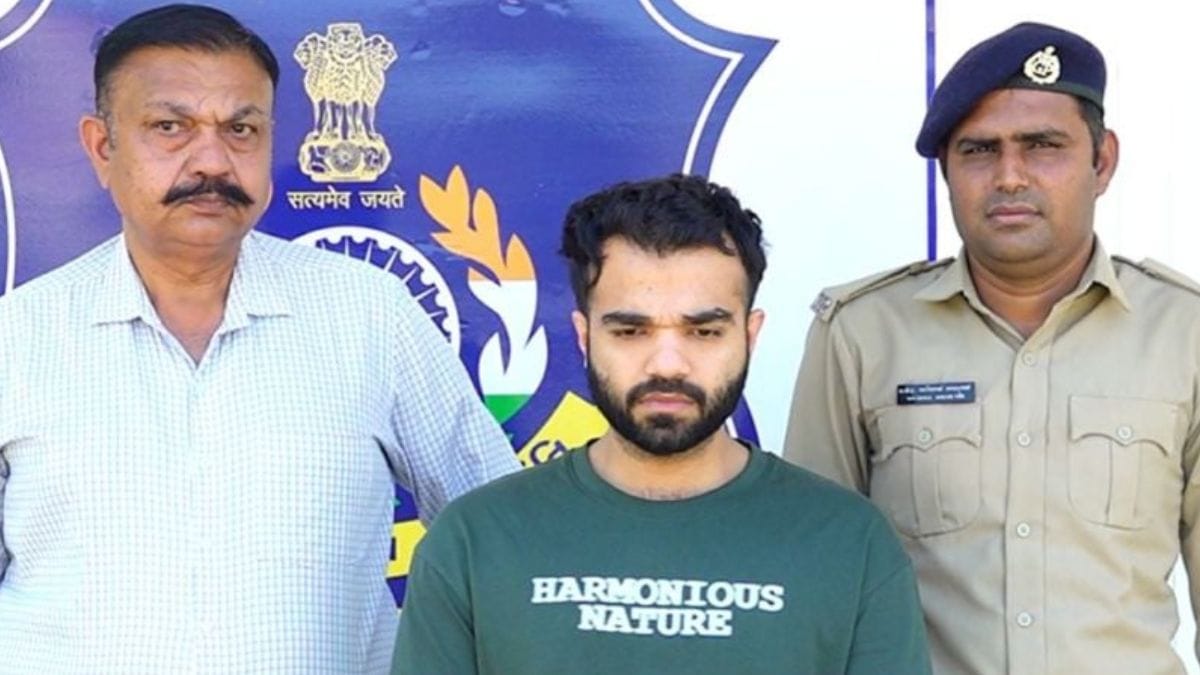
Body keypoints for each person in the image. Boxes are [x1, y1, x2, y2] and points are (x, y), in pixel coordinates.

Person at [0, 4, 518, 673]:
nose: (212, 161)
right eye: (170, 127)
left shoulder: (369, 315)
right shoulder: (18, 336)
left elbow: (505, 534)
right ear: (103, 147)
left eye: (241, 129)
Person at [785, 21, 1200, 674]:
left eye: (1043, 146)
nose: (1009, 176)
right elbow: (814, 576)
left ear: (1102, 162)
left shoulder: (1185, 332)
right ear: (946, 172)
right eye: (979, 151)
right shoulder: (862, 333)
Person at [391, 174, 932, 675]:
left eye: (704, 331)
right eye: (631, 332)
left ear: (750, 335)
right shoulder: (474, 542)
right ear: (583, 336)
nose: (668, 364)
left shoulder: (850, 543)